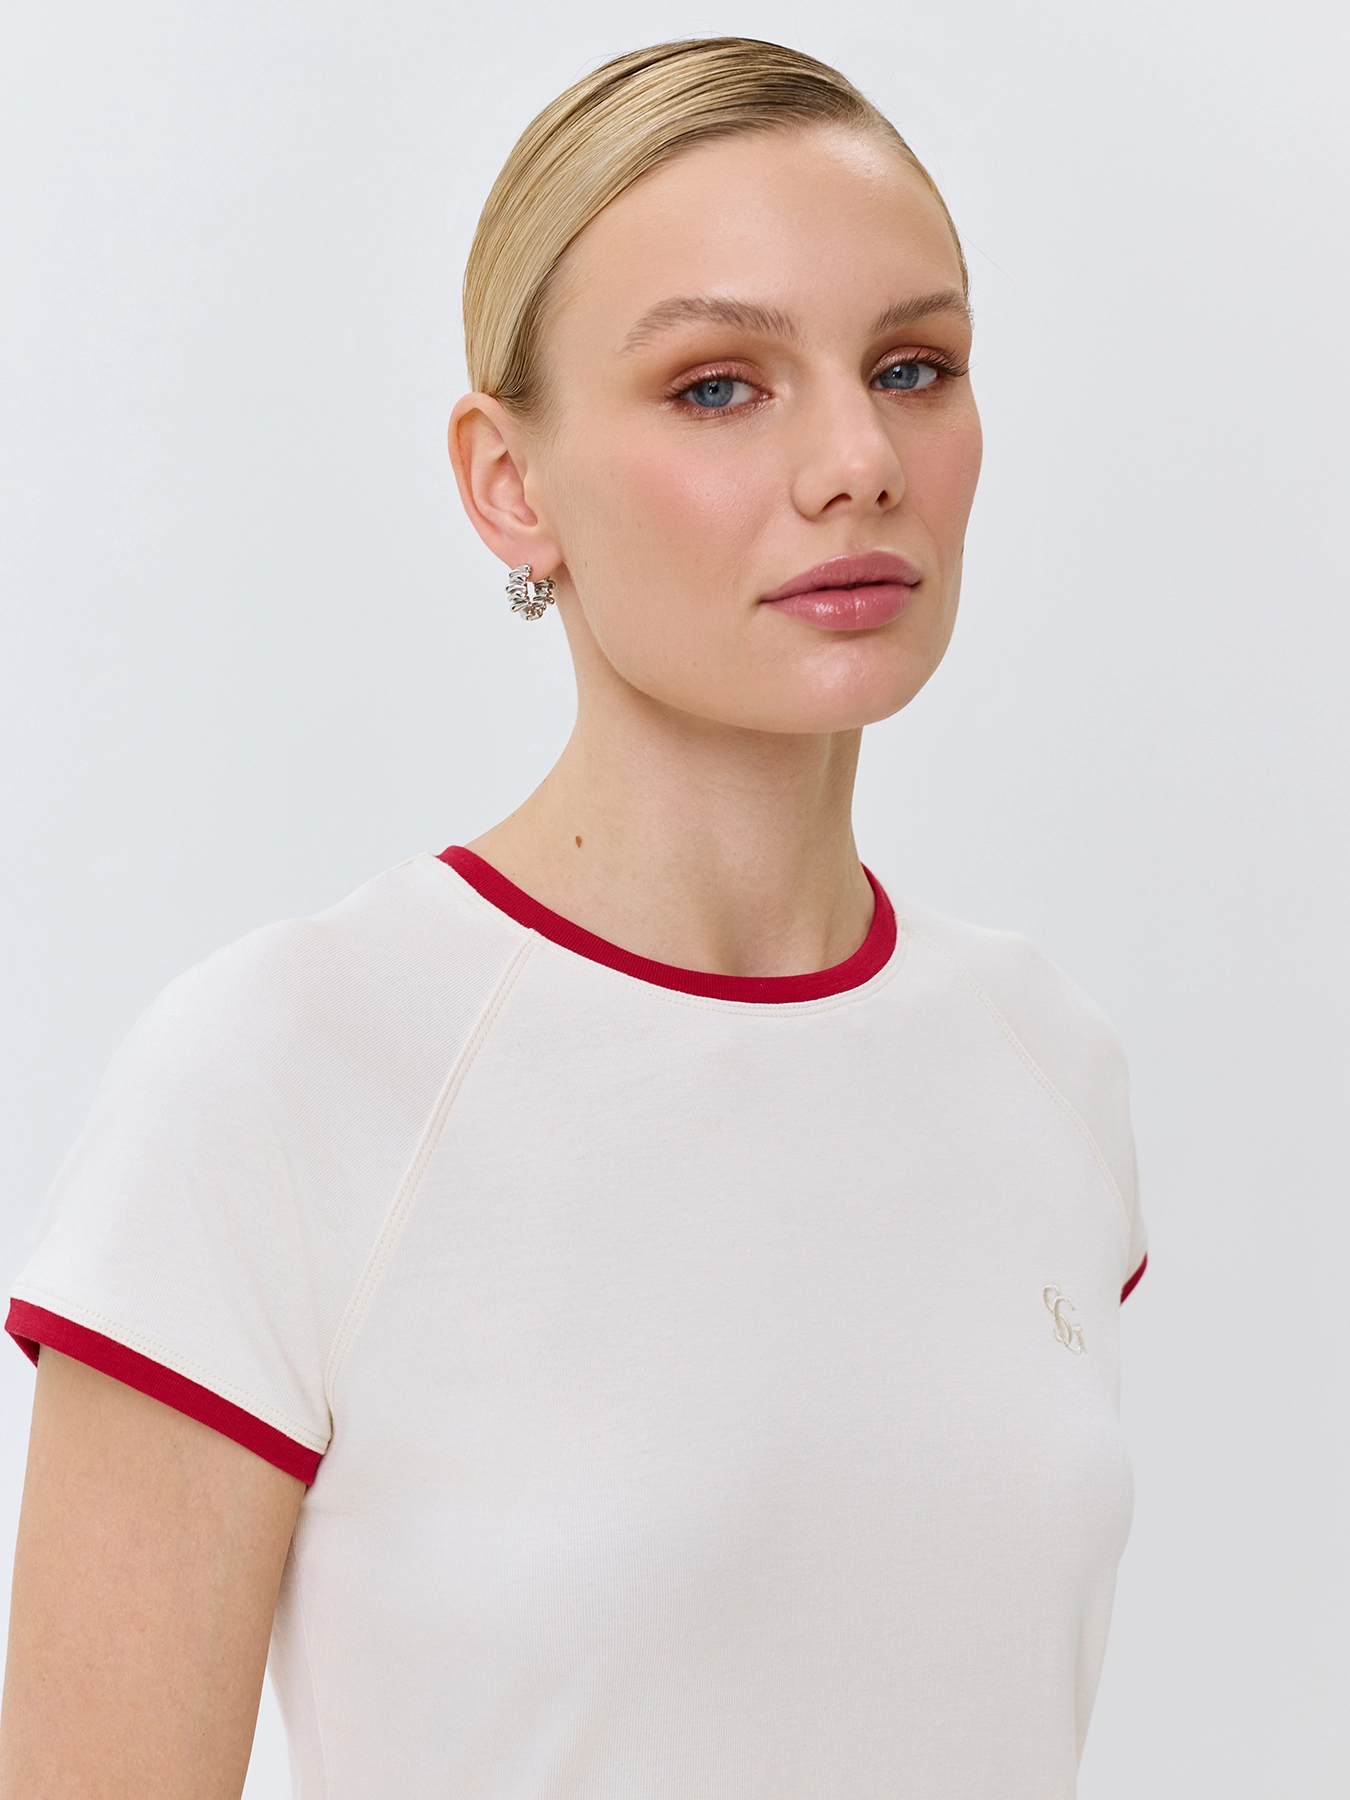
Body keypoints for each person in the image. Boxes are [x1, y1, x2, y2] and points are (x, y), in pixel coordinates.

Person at [0, 37, 1147, 1799]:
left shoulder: (1041, 1060)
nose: (857, 461)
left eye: (910, 367)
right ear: (508, 483)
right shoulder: (286, 1079)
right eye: (716, 385)